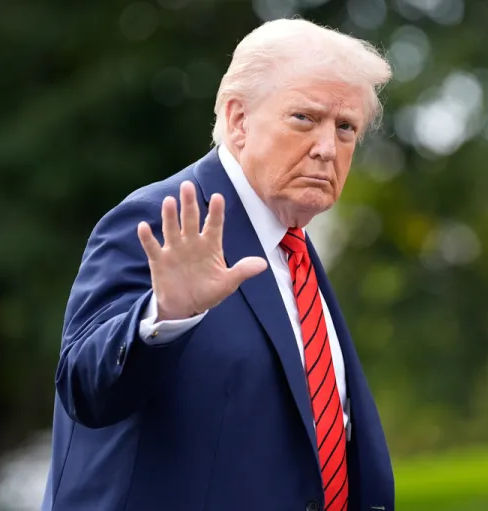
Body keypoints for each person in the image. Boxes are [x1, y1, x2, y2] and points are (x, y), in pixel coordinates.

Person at [41, 17, 394, 511]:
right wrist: (162, 318)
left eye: (345, 128)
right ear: (238, 120)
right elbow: (83, 388)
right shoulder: (164, 218)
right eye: (304, 118)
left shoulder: (295, 250)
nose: (325, 148)